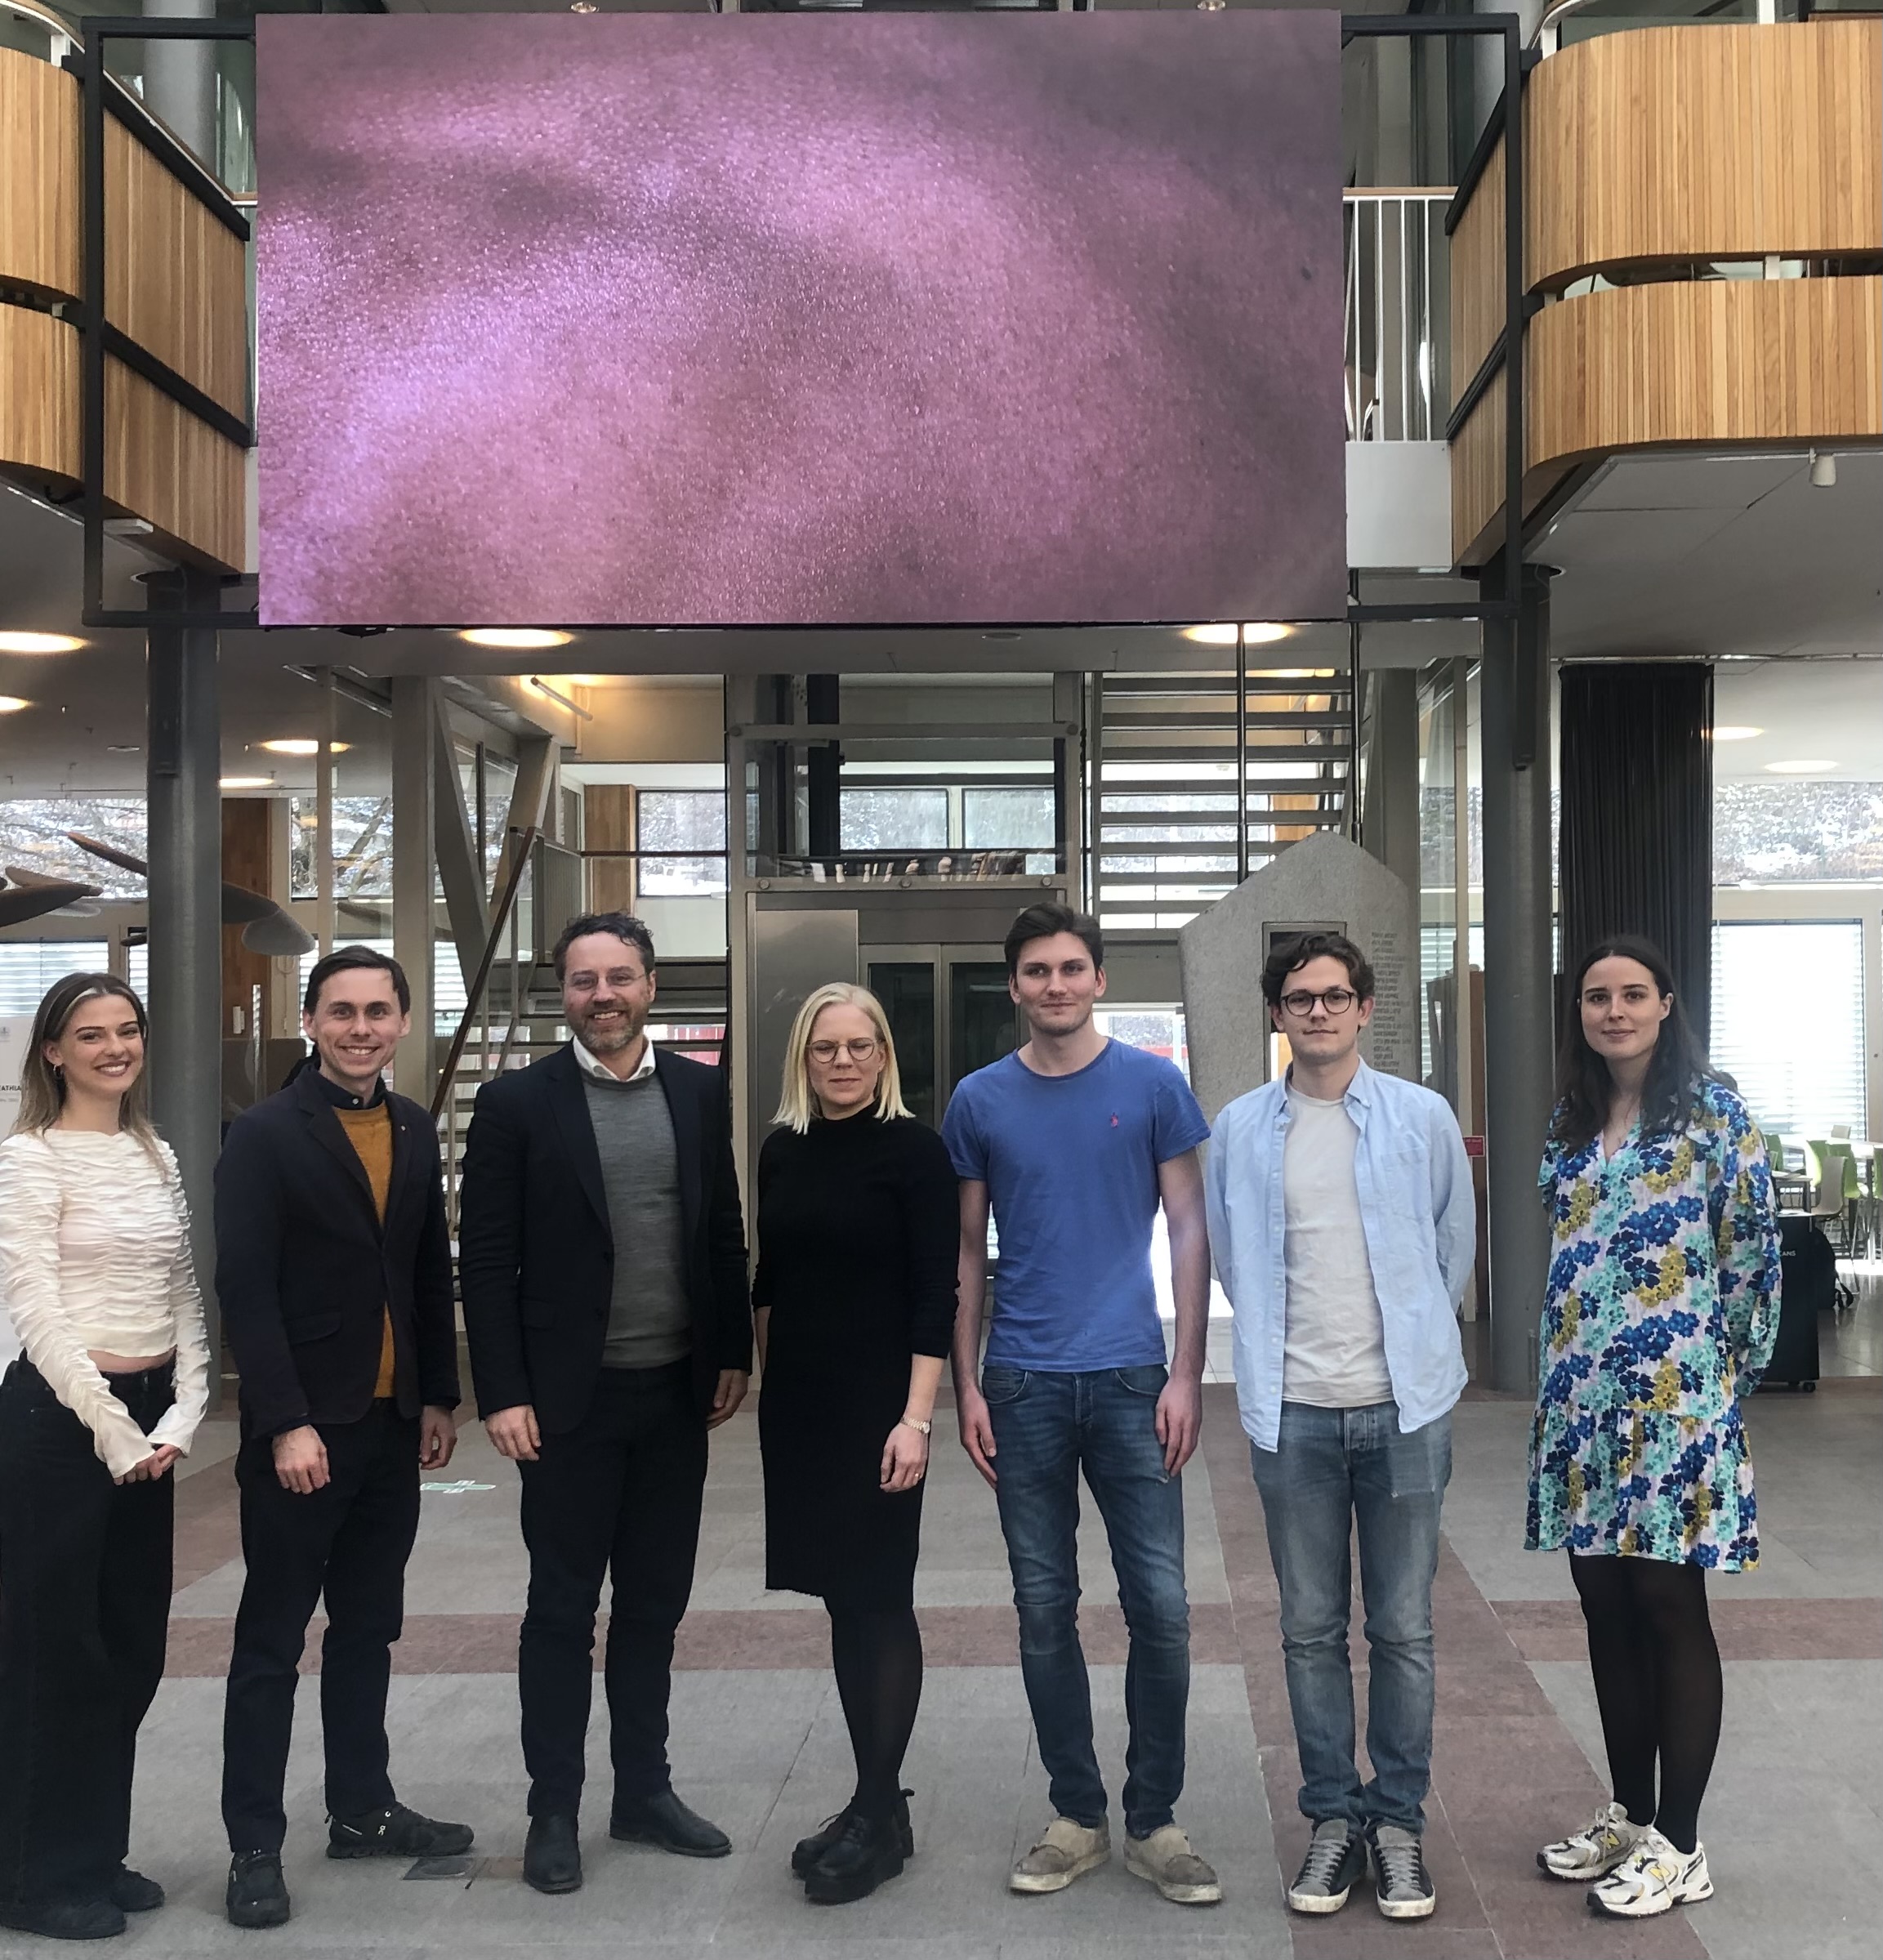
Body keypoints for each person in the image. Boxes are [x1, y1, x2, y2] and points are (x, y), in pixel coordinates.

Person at [458, 911, 751, 1895]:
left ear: (651, 985)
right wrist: (499, 1391)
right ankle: (553, 1806)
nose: (603, 995)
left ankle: (644, 1791)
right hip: (566, 1406)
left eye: (619, 976)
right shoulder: (514, 1104)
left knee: (655, 1608)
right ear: (562, 994)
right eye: (584, 981)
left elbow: (722, 1229)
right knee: (559, 1608)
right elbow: (485, 1261)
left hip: (674, 1393)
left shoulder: (699, 1091)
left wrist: (733, 1352)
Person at [944, 901, 1220, 1907]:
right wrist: (965, 1383)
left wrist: (1185, 1370)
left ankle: (1154, 1818)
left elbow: (1189, 1233)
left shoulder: (1152, 1083)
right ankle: (1075, 1812)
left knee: (1161, 1605)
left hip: (1129, 1379)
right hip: (1018, 1380)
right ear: (1012, 985)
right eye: (1034, 971)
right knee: (1043, 1606)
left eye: (1070, 968)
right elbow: (968, 1252)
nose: (1054, 985)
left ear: (1099, 978)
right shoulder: (978, 1099)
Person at [1205, 931, 1473, 1922]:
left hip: (1403, 1411)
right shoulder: (1237, 1127)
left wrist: (1412, 1353)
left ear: (1365, 1008)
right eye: (1297, 997)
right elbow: (1232, 1257)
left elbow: (1453, 1247)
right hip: (1295, 1416)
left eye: (1333, 995)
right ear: (1276, 1013)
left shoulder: (1420, 1117)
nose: (1315, 1011)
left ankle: (1395, 1821)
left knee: (1403, 1627)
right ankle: (1332, 1817)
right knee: (1309, 1629)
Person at [216, 946, 471, 1929]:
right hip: (305, 1432)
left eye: (378, 1010)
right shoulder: (266, 1135)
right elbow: (247, 1288)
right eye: (341, 1010)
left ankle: (362, 1808)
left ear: (404, 1021)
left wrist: (439, 1394)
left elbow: (419, 1265)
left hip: (389, 1426)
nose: (360, 1026)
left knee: (369, 1627)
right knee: (272, 1641)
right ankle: (253, 1843)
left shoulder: (410, 1123)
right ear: (312, 1020)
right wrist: (284, 1421)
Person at [1529, 935, 1779, 1920]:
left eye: (1633, 993)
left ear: (1667, 1003)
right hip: (1582, 1407)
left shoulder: (1714, 1111)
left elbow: (1753, 1254)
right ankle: (1631, 1813)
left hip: (1677, 1405)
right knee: (1603, 1607)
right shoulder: (1570, 1116)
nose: (1614, 1010)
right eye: (1597, 995)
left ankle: (1681, 1840)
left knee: (1670, 1609)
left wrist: (1722, 1377)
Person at [0, 975, 208, 1943]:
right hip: (58, 1420)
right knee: (57, 1653)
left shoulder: (151, 1149)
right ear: (53, 1051)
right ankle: (39, 1876)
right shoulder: (28, 1159)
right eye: (91, 1034)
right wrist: (113, 1430)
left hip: (149, 1415)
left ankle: (95, 1850)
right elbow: (36, 1309)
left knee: (131, 1645)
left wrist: (180, 1417)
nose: (114, 1047)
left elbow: (184, 1297)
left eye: (127, 1029)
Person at [754, 984, 957, 1905]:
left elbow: (933, 1293)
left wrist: (916, 1417)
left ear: (884, 1053)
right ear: (804, 1056)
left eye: (859, 1045)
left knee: (878, 1595)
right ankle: (877, 1801)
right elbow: (771, 1276)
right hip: (802, 1408)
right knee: (840, 1598)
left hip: (882, 1409)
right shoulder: (780, 1150)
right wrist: (762, 1379)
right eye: (825, 1047)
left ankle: (877, 1815)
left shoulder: (915, 1151)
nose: (842, 1061)